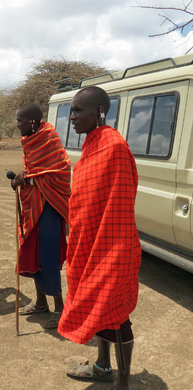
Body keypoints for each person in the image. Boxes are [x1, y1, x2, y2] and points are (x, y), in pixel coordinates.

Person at [57, 86, 141, 390]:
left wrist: (110, 250)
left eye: (79, 110)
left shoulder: (114, 147)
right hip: (87, 244)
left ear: (100, 112)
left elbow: (118, 205)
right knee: (99, 310)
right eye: (71, 110)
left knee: (116, 315)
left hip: (111, 247)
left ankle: (123, 382)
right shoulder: (93, 144)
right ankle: (103, 366)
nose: (73, 117)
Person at [11, 103, 71, 329]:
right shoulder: (30, 140)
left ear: (33, 121)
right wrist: (22, 179)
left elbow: (61, 171)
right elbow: (33, 170)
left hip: (49, 208)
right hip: (32, 206)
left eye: (20, 121)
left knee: (48, 255)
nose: (18, 126)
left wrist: (30, 179)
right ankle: (40, 303)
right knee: (32, 252)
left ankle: (59, 308)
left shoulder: (49, 138)